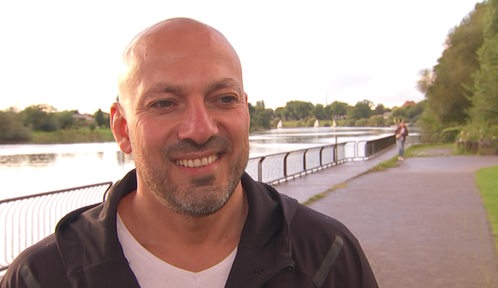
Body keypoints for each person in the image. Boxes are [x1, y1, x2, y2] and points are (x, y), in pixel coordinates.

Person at [1, 18, 378, 287]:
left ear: (245, 113)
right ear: (122, 129)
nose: (200, 129)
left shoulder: (328, 257)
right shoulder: (42, 277)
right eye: (164, 103)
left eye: (223, 99)